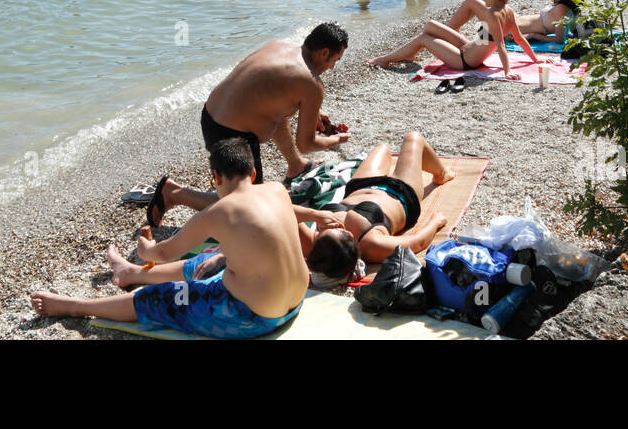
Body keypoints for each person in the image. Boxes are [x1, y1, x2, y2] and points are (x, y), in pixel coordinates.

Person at [32, 138, 307, 339]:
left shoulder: (219, 211)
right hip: (293, 303)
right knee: (208, 259)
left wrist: (147, 249)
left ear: (216, 177)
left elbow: (164, 253)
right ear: (253, 173)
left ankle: (74, 307)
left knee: (159, 297)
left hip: (253, 318)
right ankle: (131, 273)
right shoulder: (276, 190)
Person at [149, 25, 351, 226]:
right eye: (335, 60)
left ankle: (296, 164)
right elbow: (306, 143)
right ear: (324, 52)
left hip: (211, 114)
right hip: (231, 137)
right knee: (247, 207)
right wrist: (335, 140)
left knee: (278, 114)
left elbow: (272, 94)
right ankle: (174, 193)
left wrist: (312, 111)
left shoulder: (279, 46)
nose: (332, 67)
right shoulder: (312, 84)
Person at [296, 132, 454, 282]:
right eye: (339, 229)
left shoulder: (314, 245)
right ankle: (441, 173)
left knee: (382, 148)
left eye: (321, 231)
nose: (333, 224)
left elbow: (283, 209)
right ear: (351, 240)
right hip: (401, 192)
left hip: (360, 186)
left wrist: (315, 216)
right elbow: (417, 242)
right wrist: (435, 222)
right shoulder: (372, 245)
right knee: (413, 138)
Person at [368, 0, 541, 80]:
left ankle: (386, 59)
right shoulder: (508, 10)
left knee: (423, 37)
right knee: (430, 25)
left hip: (464, 61)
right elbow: (519, 38)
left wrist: (507, 71)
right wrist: (535, 59)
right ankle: (409, 54)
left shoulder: (492, 15)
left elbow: (501, 45)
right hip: (469, 47)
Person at [514, 0, 585, 44]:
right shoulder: (568, 8)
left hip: (517, 27)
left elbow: (559, 39)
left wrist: (534, 35)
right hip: (517, 23)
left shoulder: (562, 9)